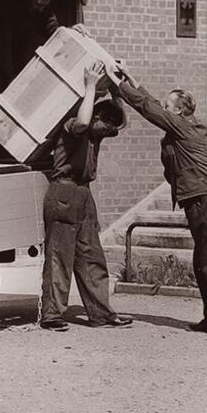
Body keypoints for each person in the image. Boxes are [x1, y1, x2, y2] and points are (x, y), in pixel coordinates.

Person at [114, 74, 207, 338]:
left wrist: (117, 85)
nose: (164, 107)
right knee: (202, 261)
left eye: (168, 104)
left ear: (179, 110)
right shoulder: (178, 126)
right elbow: (152, 103)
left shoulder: (187, 127)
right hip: (198, 198)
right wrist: (130, 78)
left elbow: (149, 108)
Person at [39, 59, 133, 331]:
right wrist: (91, 86)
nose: (107, 127)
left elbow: (123, 123)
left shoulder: (96, 132)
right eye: (103, 120)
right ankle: (52, 315)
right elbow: (82, 121)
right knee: (60, 256)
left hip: (83, 195)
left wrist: (116, 89)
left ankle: (101, 314)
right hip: (63, 191)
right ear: (94, 114)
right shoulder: (71, 125)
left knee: (92, 256)